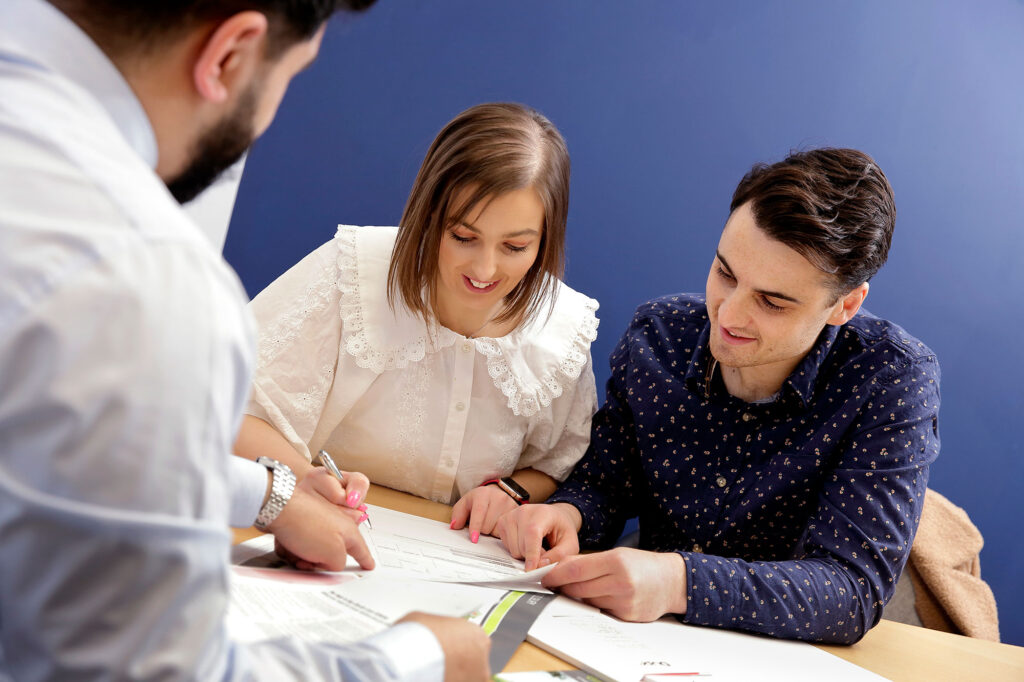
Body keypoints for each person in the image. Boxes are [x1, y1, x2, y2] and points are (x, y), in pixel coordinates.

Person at [0, 1, 490, 679]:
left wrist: (265, 492)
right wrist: (418, 658)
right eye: (291, 75)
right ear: (229, 55)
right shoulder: (142, 280)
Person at [497, 148, 941, 645]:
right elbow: (606, 484)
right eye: (725, 273)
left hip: (798, 652)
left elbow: (850, 590)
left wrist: (678, 581)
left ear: (845, 305)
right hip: (650, 637)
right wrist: (567, 514)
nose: (728, 316)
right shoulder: (658, 337)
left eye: (772, 302)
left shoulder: (890, 378)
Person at [232, 102, 600, 542]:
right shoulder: (352, 273)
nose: (484, 269)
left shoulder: (564, 328)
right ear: (428, 216)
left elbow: (559, 463)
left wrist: (513, 491)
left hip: (453, 560)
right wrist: (301, 483)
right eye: (464, 237)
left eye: (515, 247)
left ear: (545, 240)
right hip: (308, 532)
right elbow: (232, 407)